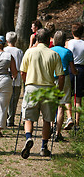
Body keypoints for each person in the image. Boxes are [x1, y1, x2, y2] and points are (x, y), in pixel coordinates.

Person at [20, 28, 64, 159]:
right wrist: (58, 91)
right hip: (48, 89)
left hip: (32, 87)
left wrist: (27, 83)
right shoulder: (54, 54)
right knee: (47, 120)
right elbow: (61, 76)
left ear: (37, 39)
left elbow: (23, 72)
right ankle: (44, 147)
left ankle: (29, 137)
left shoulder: (29, 52)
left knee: (28, 117)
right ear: (48, 39)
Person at [51, 31, 77, 141]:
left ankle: (51, 126)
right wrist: (76, 73)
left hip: (51, 78)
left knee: (51, 104)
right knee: (61, 105)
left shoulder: (50, 51)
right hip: (64, 78)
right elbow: (72, 69)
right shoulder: (68, 52)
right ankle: (58, 133)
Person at [66, 22, 84, 129]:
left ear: (72, 32)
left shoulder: (69, 43)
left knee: (68, 95)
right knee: (78, 98)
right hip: (82, 69)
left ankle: (69, 118)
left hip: (70, 68)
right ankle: (77, 123)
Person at [4, 31, 23, 127]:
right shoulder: (19, 51)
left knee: (5, 99)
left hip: (5, 76)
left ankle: (5, 118)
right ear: (16, 40)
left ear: (7, 40)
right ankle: (10, 119)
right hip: (17, 76)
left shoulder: (4, 50)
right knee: (14, 101)